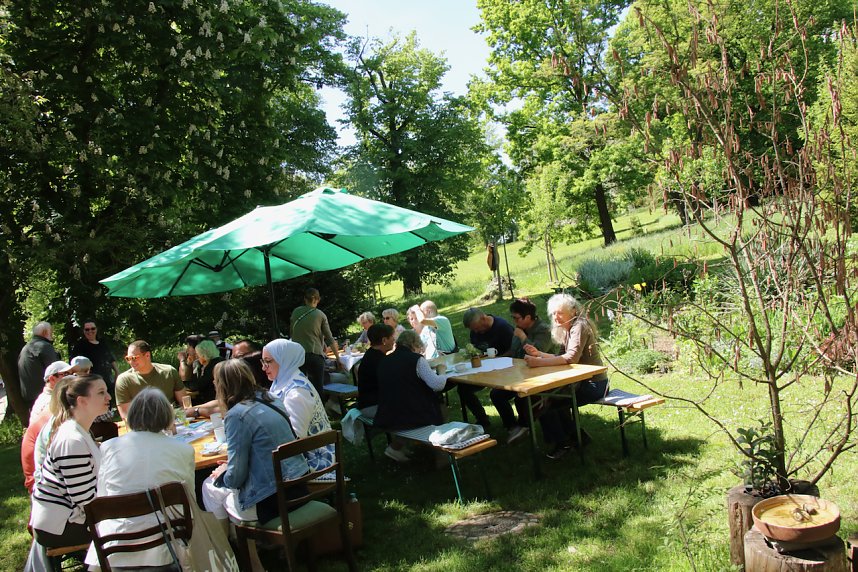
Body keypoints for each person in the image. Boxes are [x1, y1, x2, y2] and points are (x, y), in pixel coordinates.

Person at [202, 360, 309, 571]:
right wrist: (231, 467)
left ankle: (229, 556)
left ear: (222, 386)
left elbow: (236, 477)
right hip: (297, 485)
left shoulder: (236, 416)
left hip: (272, 498)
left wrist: (224, 472)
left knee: (209, 486)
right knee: (221, 490)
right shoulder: (272, 399)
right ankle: (241, 544)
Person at [85, 387, 195, 569]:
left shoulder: (109, 447)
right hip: (167, 545)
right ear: (166, 416)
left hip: (117, 545)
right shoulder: (182, 450)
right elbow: (190, 502)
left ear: (133, 415)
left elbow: (103, 496)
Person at [524, 293, 610, 459]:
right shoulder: (569, 328)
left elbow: (570, 359)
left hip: (594, 385)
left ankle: (563, 443)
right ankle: (577, 437)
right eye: (554, 313)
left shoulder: (579, 326)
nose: (556, 317)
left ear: (572, 311)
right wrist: (539, 354)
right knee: (551, 400)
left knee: (548, 405)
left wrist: (538, 362)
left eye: (560, 312)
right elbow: (563, 357)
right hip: (581, 382)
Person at [30, 374, 111, 548]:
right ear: (82, 401)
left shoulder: (79, 431)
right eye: (101, 392)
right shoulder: (71, 440)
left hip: (74, 517)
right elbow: (85, 500)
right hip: (61, 527)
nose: (108, 397)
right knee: (136, 523)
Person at [262, 339, 335, 471]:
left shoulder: (297, 392)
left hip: (312, 464)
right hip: (297, 457)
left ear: (284, 359)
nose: (263, 367)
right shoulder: (282, 382)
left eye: (268, 361)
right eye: (263, 361)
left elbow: (295, 439)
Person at [374, 330, 446, 462]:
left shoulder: (385, 361)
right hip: (411, 415)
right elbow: (437, 385)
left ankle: (396, 447)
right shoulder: (417, 360)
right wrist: (442, 371)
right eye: (419, 347)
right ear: (413, 345)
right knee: (440, 403)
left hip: (387, 413)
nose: (420, 351)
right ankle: (442, 456)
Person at [491, 298, 556, 444]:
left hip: (542, 374)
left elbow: (537, 353)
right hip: (521, 373)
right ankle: (513, 427)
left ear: (528, 317)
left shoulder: (544, 330)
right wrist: (496, 359)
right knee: (496, 394)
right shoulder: (520, 329)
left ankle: (524, 425)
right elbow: (514, 352)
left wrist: (523, 337)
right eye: (513, 317)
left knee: (521, 396)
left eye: (516, 318)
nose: (514, 321)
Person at [21, 361, 72, 492]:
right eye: (65, 374)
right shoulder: (50, 403)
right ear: (52, 379)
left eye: (71, 373)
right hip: (40, 473)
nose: (72, 377)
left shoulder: (52, 399)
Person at [289, 287, 343, 394]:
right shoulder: (320, 315)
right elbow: (330, 339)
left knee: (302, 389)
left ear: (305, 299)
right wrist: (338, 358)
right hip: (315, 355)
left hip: (299, 356)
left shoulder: (296, 312)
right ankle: (321, 408)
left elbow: (292, 333)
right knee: (318, 388)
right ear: (318, 300)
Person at [115, 340, 186, 419]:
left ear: (147, 355)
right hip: (142, 427)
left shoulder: (169, 371)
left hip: (173, 420)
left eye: (134, 358)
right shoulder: (124, 380)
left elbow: (184, 403)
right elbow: (126, 415)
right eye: (128, 358)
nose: (131, 362)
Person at [17, 321, 60, 418]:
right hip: (45, 397)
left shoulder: (25, 348)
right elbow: (57, 371)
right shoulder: (44, 346)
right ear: (45, 333)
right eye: (51, 332)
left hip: (29, 398)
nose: (52, 334)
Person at [71, 319, 119, 395]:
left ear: (96, 329)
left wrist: (117, 372)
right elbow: (74, 366)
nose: (90, 331)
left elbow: (111, 359)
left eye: (92, 328)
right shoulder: (79, 346)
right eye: (87, 329)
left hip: (107, 382)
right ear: (83, 331)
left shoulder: (102, 343)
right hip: (91, 384)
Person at [356, 323, 395, 417]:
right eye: (392, 337)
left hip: (368, 404)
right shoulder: (380, 361)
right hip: (373, 406)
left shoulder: (371, 354)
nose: (394, 340)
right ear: (384, 340)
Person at [185, 339, 222, 404]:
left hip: (214, 401)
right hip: (206, 399)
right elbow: (195, 381)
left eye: (197, 354)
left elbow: (197, 385)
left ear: (204, 354)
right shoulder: (204, 364)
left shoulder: (215, 364)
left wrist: (182, 384)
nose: (196, 356)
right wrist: (190, 365)